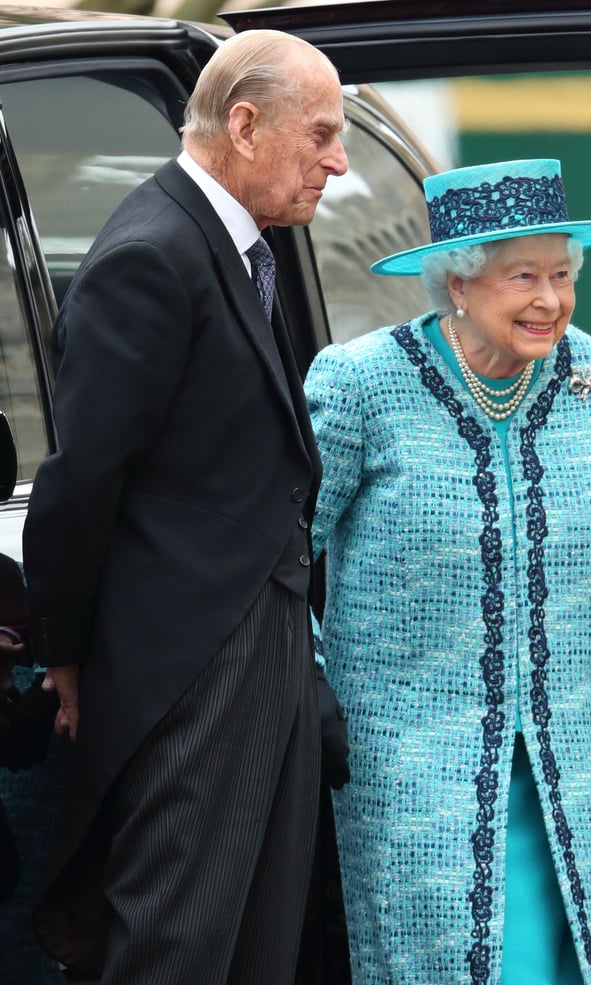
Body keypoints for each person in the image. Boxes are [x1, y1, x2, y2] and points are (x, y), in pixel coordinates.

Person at [304, 158, 591, 985]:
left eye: (562, 274)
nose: (551, 299)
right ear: (459, 284)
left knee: (566, 960)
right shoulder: (363, 384)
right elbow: (278, 550)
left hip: (559, 757)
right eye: (524, 276)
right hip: (409, 767)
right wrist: (309, 677)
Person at [21, 29, 348, 985]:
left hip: (264, 646)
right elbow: (78, 485)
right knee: (180, 950)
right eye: (321, 134)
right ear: (245, 127)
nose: (337, 160)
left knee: (259, 949)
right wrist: (67, 653)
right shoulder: (155, 252)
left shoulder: (238, 246)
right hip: (195, 668)